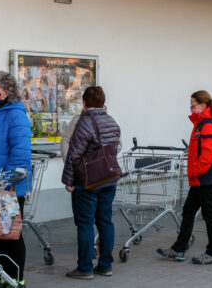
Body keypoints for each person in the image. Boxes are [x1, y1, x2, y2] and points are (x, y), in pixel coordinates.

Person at [157, 90, 212, 264]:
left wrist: (194, 172)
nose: (191, 108)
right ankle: (179, 248)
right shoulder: (200, 123)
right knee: (188, 212)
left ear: (203, 105)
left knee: (210, 215)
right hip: (200, 178)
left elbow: (208, 155)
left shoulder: (208, 124)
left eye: (193, 105)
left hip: (206, 178)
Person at [62, 86, 121, 280]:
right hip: (109, 179)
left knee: (85, 224)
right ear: (103, 102)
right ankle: (105, 265)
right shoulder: (111, 121)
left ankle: (85, 268)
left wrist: (69, 181)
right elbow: (115, 148)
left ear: (84, 103)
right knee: (105, 221)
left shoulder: (84, 122)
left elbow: (74, 154)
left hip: (87, 182)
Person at [0, 70, 32, 287]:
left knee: (9, 235)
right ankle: (4, 277)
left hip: (8, 187)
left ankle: (16, 279)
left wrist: (4, 184)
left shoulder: (15, 114)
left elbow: (20, 153)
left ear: (6, 92)